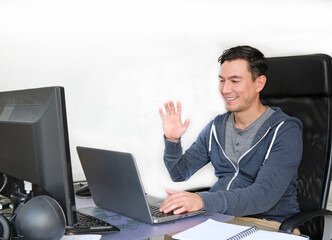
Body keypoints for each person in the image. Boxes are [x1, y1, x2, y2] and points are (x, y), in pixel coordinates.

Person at [158, 45, 303, 228]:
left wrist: (202, 200)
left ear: (259, 83)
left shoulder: (284, 130)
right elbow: (179, 173)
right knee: (160, 231)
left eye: (235, 81)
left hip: (268, 223)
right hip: (219, 218)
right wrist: (172, 141)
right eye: (222, 80)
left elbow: (264, 196)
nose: (226, 89)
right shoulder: (216, 127)